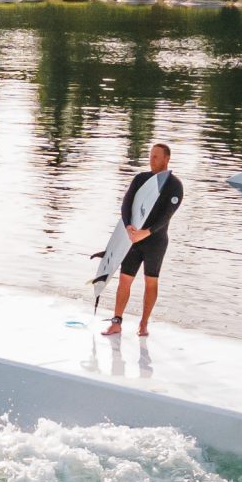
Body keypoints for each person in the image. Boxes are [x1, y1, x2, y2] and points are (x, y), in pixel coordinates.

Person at [105, 141, 183, 337]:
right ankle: (116, 322)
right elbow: (126, 204)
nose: (151, 160)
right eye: (150, 156)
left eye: (156, 156)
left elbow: (167, 216)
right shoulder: (140, 179)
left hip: (155, 241)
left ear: (166, 159)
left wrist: (146, 232)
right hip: (133, 239)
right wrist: (128, 226)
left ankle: (144, 323)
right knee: (124, 279)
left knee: (151, 281)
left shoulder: (175, 186)